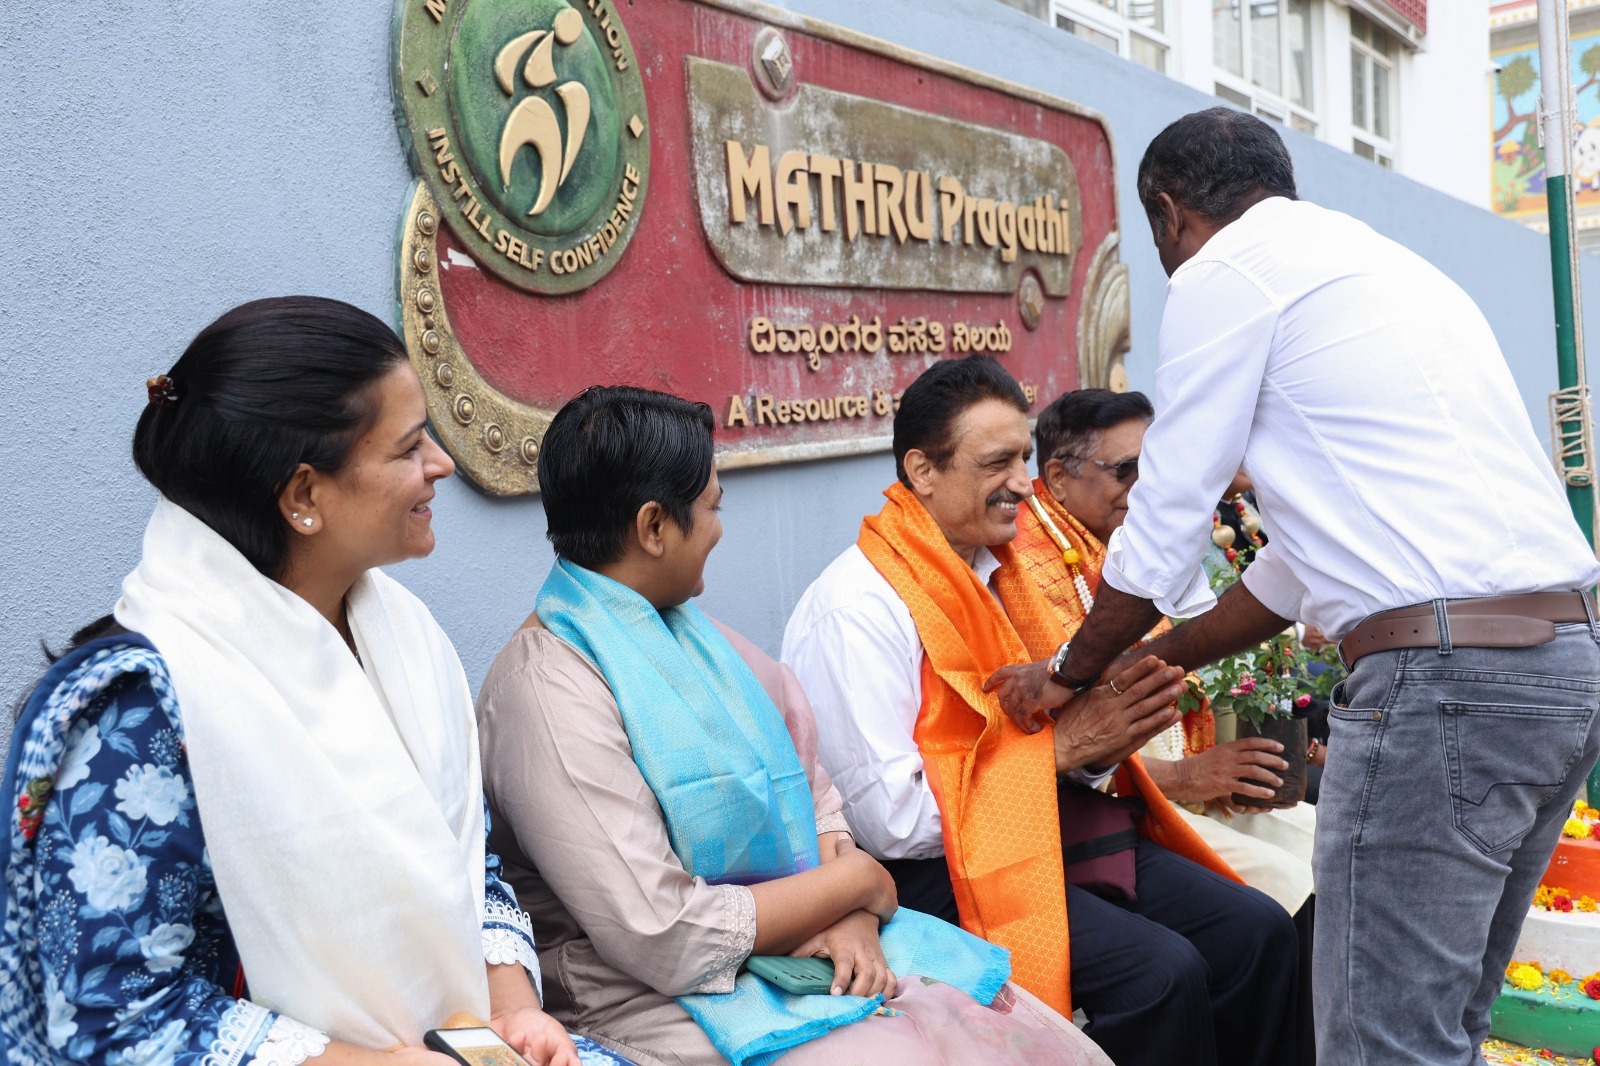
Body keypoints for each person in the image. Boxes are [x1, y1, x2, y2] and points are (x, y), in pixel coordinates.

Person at [985, 107, 1600, 1065]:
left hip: (1446, 678)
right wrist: (1153, 657)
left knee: (1383, 1045)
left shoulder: (1223, 273)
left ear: (1168, 213)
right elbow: (1291, 571)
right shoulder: (1388, 268)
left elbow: (1168, 517)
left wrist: (1067, 672)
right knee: (1444, 1030)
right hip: (1564, 662)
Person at [0, 298, 625, 1066]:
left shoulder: (405, 642)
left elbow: (467, 866)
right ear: (303, 497)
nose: (440, 464)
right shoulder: (144, 709)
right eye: (408, 448)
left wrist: (513, 1011)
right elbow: (116, 1022)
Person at [475, 385, 1110, 1066]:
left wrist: (855, 917)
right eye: (713, 508)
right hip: (653, 996)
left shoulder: (695, 636)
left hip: (809, 944)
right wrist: (859, 884)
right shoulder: (544, 690)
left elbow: (816, 796)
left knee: (1021, 1033)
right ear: (654, 527)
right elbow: (664, 935)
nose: (719, 530)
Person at [782, 355, 1298, 1066]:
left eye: (1022, 458)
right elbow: (893, 825)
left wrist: (1101, 744)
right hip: (931, 874)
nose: (1024, 484)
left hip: (1044, 830)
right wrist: (1057, 752)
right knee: (1162, 974)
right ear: (923, 471)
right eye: (998, 463)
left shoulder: (1005, 575)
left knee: (1257, 931)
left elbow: (1063, 753)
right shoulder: (857, 608)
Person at [1015, 386, 1315, 917]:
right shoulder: (1022, 573)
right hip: (1109, 813)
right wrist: (1184, 777)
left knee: (1327, 840)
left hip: (1185, 785)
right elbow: (1041, 756)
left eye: (1152, 468)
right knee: (1287, 883)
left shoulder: (1133, 542)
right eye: (1125, 470)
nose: (1144, 486)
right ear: (1058, 478)